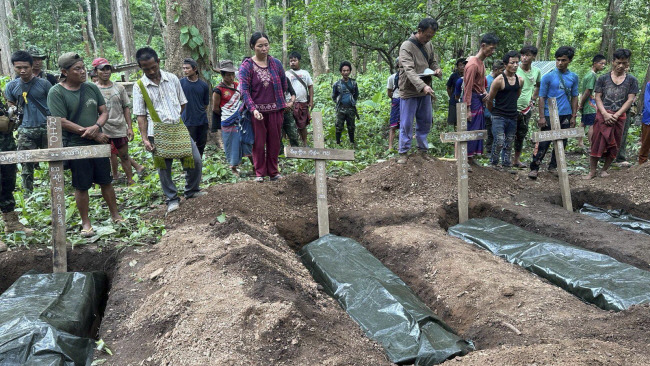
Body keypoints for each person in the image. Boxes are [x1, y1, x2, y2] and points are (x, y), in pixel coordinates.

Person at [46, 52, 122, 236]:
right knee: (81, 185)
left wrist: (96, 127)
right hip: (75, 144)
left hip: (97, 139)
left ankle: (116, 215)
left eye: (83, 67)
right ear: (65, 72)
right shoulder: (56, 92)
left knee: (106, 180)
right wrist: (90, 134)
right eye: (77, 69)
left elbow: (103, 111)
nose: (83, 72)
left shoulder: (91, 88)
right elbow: (60, 121)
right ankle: (86, 222)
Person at [132, 47, 205, 213]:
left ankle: (192, 190)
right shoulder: (139, 86)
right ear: (140, 67)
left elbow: (182, 102)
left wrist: (172, 119)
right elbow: (141, 116)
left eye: (153, 67)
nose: (151, 71)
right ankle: (172, 198)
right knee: (164, 168)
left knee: (195, 160)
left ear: (158, 62)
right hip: (155, 132)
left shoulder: (172, 79)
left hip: (177, 127)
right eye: (146, 68)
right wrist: (144, 139)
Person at [239, 32, 288, 182]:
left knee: (274, 142)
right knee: (259, 143)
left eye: (266, 45)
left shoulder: (276, 63)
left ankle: (273, 171)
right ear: (253, 47)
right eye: (260, 46)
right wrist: (253, 109)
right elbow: (244, 90)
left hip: (276, 111)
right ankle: (260, 172)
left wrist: (284, 102)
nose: (264, 48)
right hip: (257, 113)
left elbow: (283, 84)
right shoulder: (247, 66)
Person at [585, 48, 639, 179]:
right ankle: (592, 171)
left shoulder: (632, 80)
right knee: (596, 142)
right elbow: (597, 97)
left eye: (624, 63)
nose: (621, 66)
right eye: (618, 62)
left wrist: (616, 115)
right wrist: (604, 114)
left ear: (628, 63)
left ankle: (604, 169)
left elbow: (630, 99)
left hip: (619, 117)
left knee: (615, 143)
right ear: (613, 62)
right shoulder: (603, 78)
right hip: (603, 115)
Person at [528, 46, 579, 180]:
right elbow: (541, 97)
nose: (560, 63)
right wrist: (542, 116)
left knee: (562, 141)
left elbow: (574, 97)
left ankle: (553, 166)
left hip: (565, 114)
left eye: (563, 60)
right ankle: (534, 167)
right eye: (558, 60)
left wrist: (574, 116)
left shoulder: (573, 77)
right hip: (549, 114)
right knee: (543, 142)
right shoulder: (548, 77)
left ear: (569, 61)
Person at [5, 50, 52, 196]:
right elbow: (10, 103)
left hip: (47, 126)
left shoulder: (44, 84)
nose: (23, 70)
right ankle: (27, 194)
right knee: (26, 163)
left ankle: (56, 188)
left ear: (32, 67)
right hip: (25, 129)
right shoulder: (11, 86)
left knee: (55, 159)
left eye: (26, 67)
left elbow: (53, 103)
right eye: (18, 68)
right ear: (13, 67)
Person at [92, 57, 145, 186]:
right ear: (95, 71)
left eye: (107, 69)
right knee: (104, 156)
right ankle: (105, 181)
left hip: (119, 126)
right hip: (102, 129)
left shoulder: (119, 88)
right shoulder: (92, 89)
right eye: (102, 69)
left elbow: (125, 107)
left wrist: (130, 127)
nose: (105, 72)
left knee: (124, 155)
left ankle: (130, 180)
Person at [396, 18, 442, 164]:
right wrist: (422, 86)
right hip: (410, 90)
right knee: (407, 123)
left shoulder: (428, 45)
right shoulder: (406, 47)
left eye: (432, 36)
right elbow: (409, 70)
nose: (429, 39)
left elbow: (432, 61)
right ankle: (403, 151)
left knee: (425, 121)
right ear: (419, 31)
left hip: (425, 89)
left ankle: (423, 150)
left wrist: (436, 69)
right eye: (427, 35)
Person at [463, 33, 499, 165]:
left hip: (478, 99)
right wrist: (467, 108)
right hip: (471, 100)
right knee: (470, 128)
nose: (492, 51)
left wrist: (484, 93)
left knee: (477, 127)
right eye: (491, 48)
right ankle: (464, 159)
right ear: (483, 46)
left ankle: (471, 158)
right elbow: (467, 87)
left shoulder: (481, 63)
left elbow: (481, 83)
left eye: (494, 49)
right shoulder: (472, 64)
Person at [213, 60, 253, 175]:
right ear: (223, 75)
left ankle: (255, 165)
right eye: (228, 75)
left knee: (247, 141)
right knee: (231, 144)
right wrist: (229, 114)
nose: (231, 77)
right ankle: (233, 167)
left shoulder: (237, 86)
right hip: (228, 121)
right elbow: (215, 108)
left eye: (232, 74)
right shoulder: (218, 90)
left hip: (241, 120)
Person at [486, 51, 523, 168]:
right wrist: (494, 113)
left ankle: (506, 164)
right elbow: (489, 99)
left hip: (512, 115)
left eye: (517, 62)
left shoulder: (520, 80)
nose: (515, 65)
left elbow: (516, 95)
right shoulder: (499, 80)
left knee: (509, 141)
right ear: (506, 64)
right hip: (498, 115)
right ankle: (493, 163)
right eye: (512, 63)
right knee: (499, 140)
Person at [513, 45, 542, 168]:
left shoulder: (536, 71)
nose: (524, 58)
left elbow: (538, 85)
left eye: (528, 55)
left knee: (521, 134)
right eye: (523, 55)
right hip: (512, 108)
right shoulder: (514, 69)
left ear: (533, 57)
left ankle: (516, 160)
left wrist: (533, 99)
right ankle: (504, 160)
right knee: (508, 134)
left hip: (526, 109)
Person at [180, 58, 210, 157]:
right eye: (184, 68)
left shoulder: (203, 85)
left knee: (201, 145)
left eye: (187, 68)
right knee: (188, 146)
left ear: (195, 68)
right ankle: (189, 168)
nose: (185, 70)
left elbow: (206, 104)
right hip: (188, 121)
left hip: (202, 121)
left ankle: (198, 165)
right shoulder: (180, 84)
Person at [578, 54, 607, 152]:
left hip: (587, 105)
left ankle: (580, 142)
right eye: (601, 63)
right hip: (590, 105)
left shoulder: (588, 74)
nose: (603, 66)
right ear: (595, 63)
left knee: (583, 122)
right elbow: (588, 91)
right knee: (591, 125)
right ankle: (591, 145)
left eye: (604, 64)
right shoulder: (592, 76)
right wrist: (581, 103)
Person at [286, 52, 314, 146]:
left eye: (295, 60)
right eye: (291, 61)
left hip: (303, 103)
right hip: (291, 104)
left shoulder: (305, 73)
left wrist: (311, 101)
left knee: (303, 125)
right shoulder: (287, 74)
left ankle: (305, 143)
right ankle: (292, 145)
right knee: (291, 125)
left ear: (299, 61)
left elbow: (310, 87)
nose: (293, 63)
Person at [332, 61, 359, 147]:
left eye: (347, 70)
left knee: (351, 126)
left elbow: (356, 95)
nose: (346, 72)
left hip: (351, 108)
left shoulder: (353, 83)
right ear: (341, 72)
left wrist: (351, 101)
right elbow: (334, 96)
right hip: (341, 108)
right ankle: (338, 142)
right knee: (339, 126)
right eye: (344, 71)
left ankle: (352, 142)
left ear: (350, 71)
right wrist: (339, 102)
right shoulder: (337, 84)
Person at [485, 60, 506, 156]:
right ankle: (489, 151)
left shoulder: (501, 80)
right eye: (502, 70)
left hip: (498, 111)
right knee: (490, 132)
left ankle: (495, 151)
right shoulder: (487, 80)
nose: (503, 72)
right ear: (496, 70)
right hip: (488, 111)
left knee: (496, 132)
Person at [446, 58, 467, 129]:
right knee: (455, 120)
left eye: (463, 65)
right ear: (457, 67)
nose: (462, 67)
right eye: (460, 65)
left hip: (466, 100)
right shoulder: (454, 76)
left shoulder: (469, 75)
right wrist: (452, 96)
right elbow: (448, 87)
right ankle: (457, 136)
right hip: (454, 100)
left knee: (465, 119)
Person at [280, 77, 301, 149]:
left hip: (287, 111)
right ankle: (280, 154)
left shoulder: (285, 79)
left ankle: (296, 152)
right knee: (276, 135)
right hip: (275, 112)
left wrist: (291, 103)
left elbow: (293, 93)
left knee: (293, 133)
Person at [386, 64, 400, 151]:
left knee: (404, 125)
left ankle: (401, 146)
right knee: (393, 125)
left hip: (405, 101)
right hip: (396, 101)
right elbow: (389, 92)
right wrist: (395, 98)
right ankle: (390, 147)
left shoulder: (409, 77)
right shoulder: (392, 78)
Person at [640, 80, 650, 165]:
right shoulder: (649, 84)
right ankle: (642, 162)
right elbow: (647, 101)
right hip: (649, 117)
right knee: (646, 140)